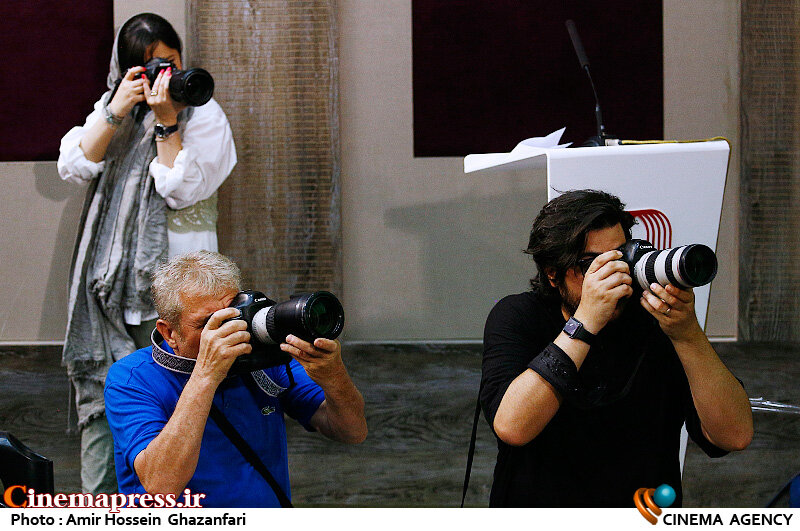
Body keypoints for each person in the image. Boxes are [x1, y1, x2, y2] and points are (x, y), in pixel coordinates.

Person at [480, 189, 753, 507]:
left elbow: (734, 435)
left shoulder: (653, 319)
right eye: (592, 264)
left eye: (619, 257)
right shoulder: (519, 316)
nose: (612, 275)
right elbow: (512, 427)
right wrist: (585, 321)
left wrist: (688, 335)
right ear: (552, 273)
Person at [57, 13, 237, 494]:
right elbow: (74, 166)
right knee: (105, 402)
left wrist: (167, 121)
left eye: (170, 63)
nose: (163, 77)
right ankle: (101, 510)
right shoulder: (117, 108)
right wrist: (116, 109)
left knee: (177, 403)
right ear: (126, 71)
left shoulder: (204, 114)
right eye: (149, 69)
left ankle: (173, 507)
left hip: (176, 295)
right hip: (110, 292)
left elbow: (180, 189)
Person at [103, 251, 367, 507]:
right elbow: (161, 486)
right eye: (207, 324)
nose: (226, 333)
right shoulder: (132, 378)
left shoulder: (262, 358)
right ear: (169, 333)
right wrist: (206, 375)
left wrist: (334, 376)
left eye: (232, 316)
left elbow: (353, 431)